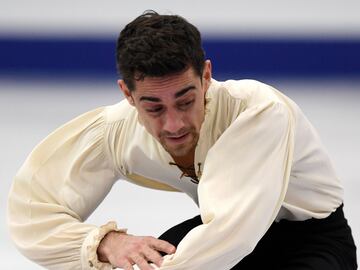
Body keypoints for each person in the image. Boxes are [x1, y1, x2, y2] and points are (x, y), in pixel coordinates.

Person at [7, 10, 357, 270]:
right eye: (153, 107)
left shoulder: (258, 112)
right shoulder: (115, 130)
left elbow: (230, 236)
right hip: (217, 234)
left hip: (312, 240)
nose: (173, 124)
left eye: (186, 101)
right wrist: (106, 243)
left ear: (206, 76)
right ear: (127, 94)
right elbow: (31, 209)